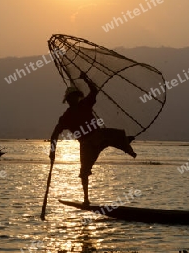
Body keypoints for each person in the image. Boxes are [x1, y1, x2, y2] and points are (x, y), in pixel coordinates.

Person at [49, 72, 136, 205]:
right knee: (84, 172)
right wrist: (52, 151)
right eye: (71, 99)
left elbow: (94, 91)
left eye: (73, 97)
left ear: (75, 97)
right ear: (70, 100)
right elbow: (54, 135)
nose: (72, 100)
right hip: (88, 143)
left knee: (117, 135)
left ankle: (126, 146)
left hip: (97, 136)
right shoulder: (68, 115)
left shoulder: (83, 105)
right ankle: (86, 199)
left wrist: (86, 79)